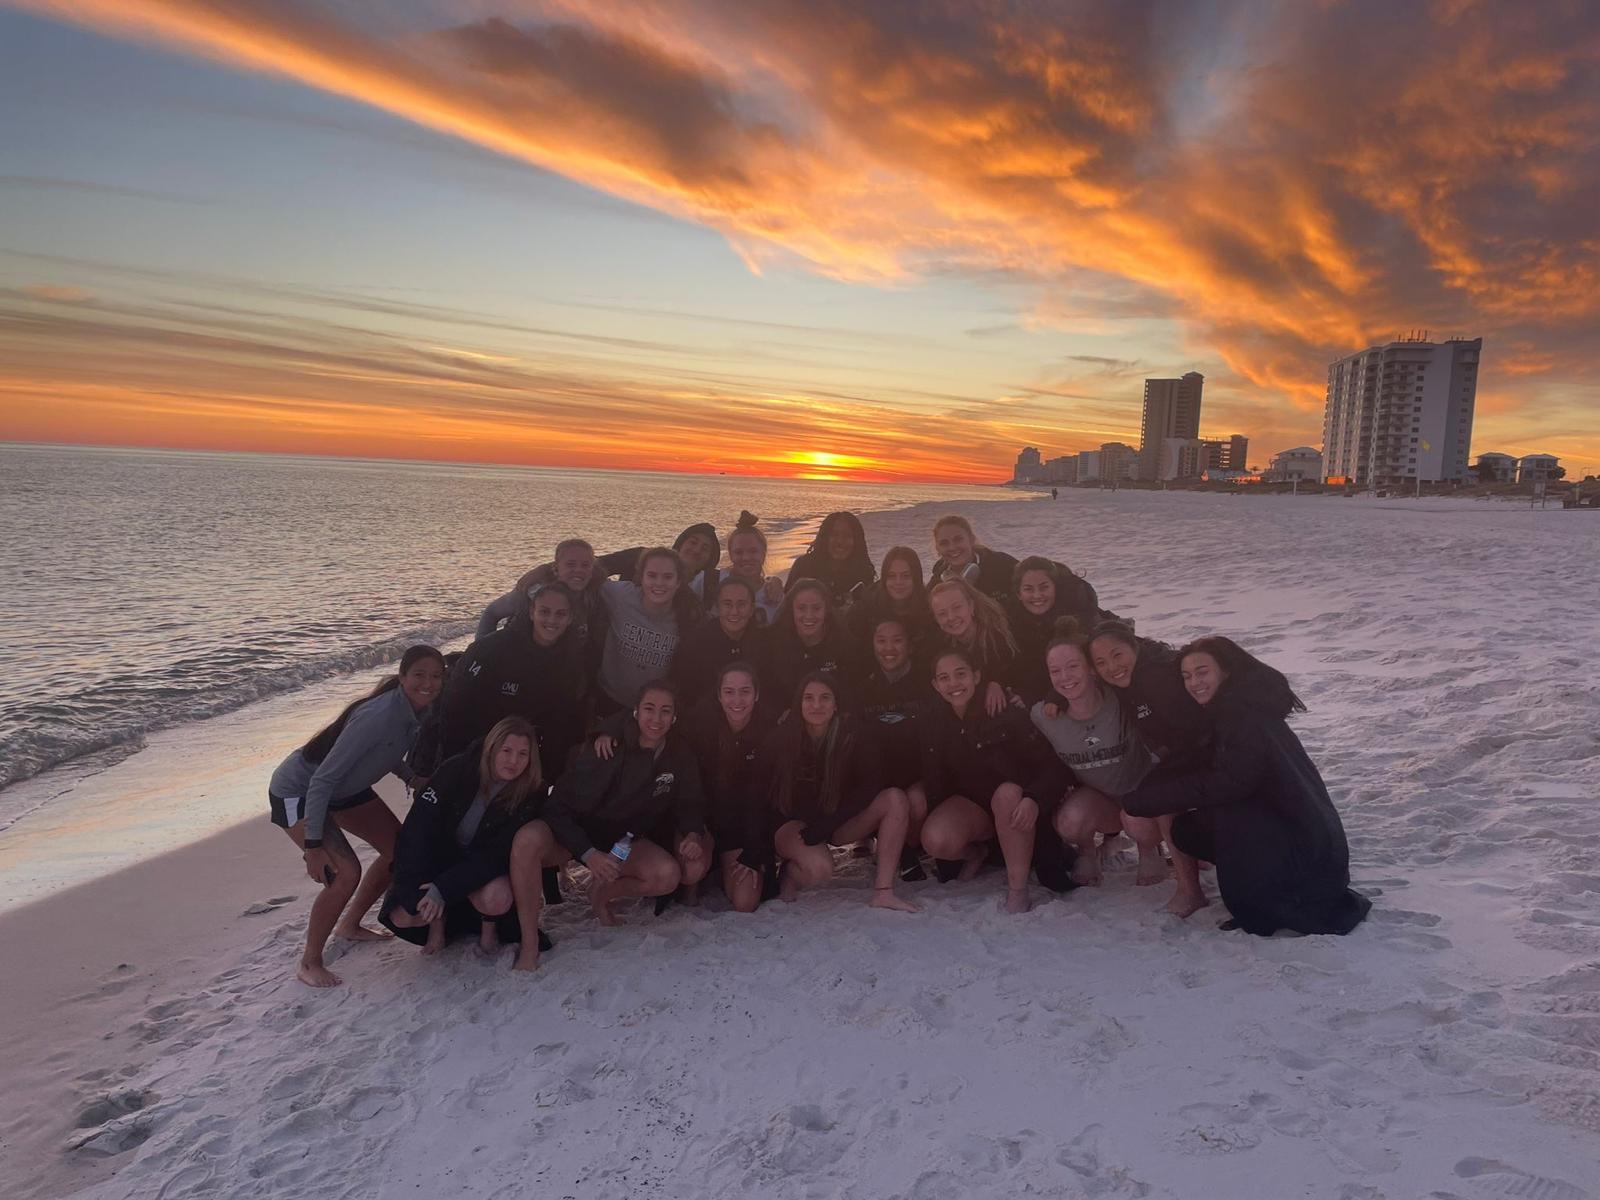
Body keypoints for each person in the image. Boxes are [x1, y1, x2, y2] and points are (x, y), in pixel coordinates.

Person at [1122, 638, 1372, 937]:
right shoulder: (1235, 707)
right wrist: (1148, 791)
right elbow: (1206, 759)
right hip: (1314, 844)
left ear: (1225, 672)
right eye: (1186, 676)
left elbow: (1230, 782)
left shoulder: (1241, 714)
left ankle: (1266, 901)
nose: (1194, 683)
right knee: (1191, 829)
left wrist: (1148, 799)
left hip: (1307, 859)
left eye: (1202, 672)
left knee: (1211, 820)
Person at [266, 644, 445, 987]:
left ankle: (349, 925)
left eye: (436, 676)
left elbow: (385, 752)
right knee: (346, 872)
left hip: (346, 789)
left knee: (401, 852)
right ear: (402, 676)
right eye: (419, 675)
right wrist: (314, 845)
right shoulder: (379, 715)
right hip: (300, 791)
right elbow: (322, 779)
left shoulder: (417, 710)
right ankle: (309, 962)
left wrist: (411, 778)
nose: (428, 683)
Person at [505, 680, 709, 969]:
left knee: (667, 875)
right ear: (635, 712)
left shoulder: (679, 754)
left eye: (666, 711)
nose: (657, 718)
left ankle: (602, 893)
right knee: (526, 841)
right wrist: (587, 853)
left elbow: (690, 801)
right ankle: (529, 942)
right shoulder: (606, 747)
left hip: (621, 840)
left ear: (675, 717)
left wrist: (692, 833)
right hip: (572, 833)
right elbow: (557, 807)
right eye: (649, 709)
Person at [381, 717, 548, 957]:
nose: (514, 761)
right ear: (491, 748)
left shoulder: (531, 792)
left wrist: (443, 888)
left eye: (523, 754)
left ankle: (487, 928)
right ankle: (438, 922)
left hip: (482, 865)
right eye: (507, 750)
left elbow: (496, 855)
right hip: (439, 860)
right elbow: (417, 831)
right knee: (403, 916)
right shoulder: (456, 768)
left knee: (497, 898)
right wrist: (419, 884)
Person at [918, 648, 1065, 913]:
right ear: (935, 685)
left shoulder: (1003, 709)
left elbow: (1052, 764)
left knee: (1007, 794)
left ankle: (1018, 889)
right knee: (936, 838)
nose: (953, 684)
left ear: (976, 676)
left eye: (960, 674)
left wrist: (1035, 799)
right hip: (977, 811)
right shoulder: (934, 720)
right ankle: (977, 854)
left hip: (1018, 806)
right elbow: (934, 778)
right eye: (944, 677)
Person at [1029, 623, 1169, 894]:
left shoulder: (1120, 698)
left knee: (1136, 819)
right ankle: (1087, 852)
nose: (1064, 677)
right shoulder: (1043, 716)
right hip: (1100, 800)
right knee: (1069, 820)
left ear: (1092, 669)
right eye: (1055, 671)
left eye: (1073, 666)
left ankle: (1149, 849)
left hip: (1141, 796)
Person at [767, 673, 919, 912]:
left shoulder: (853, 734)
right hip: (794, 824)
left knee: (895, 799)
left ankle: (883, 892)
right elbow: (761, 793)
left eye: (825, 698)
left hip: (835, 820)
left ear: (836, 703)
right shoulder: (783, 736)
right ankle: (790, 872)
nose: (817, 705)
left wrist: (829, 824)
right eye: (809, 698)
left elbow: (871, 783)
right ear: (799, 703)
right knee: (820, 870)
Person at [416, 582, 585, 778]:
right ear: (532, 612)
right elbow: (453, 709)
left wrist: (550, 771)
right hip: (472, 746)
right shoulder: (491, 649)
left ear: (570, 618)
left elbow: (563, 715)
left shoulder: (571, 658)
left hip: (520, 754)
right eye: (544, 611)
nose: (552, 620)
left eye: (560, 614)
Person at [682, 662, 777, 913]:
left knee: (746, 902)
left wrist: (755, 849)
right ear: (718, 695)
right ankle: (702, 873)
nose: (737, 699)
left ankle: (720, 868)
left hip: (742, 829)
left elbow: (765, 801)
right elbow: (653, 716)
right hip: (702, 823)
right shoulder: (698, 725)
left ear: (757, 695)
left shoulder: (770, 730)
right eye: (729, 691)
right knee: (691, 870)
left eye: (745, 691)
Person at [594, 547, 699, 715]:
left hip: (653, 710)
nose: (659, 583)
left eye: (668, 577)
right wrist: (539, 573)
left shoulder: (687, 616)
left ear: (678, 582)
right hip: (609, 700)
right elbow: (582, 574)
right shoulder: (621, 596)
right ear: (641, 577)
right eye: (651, 575)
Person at [1007, 557, 1106, 703]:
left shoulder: (1078, 615)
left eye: (1044, 587)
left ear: (1055, 588)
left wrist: (1048, 698)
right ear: (1019, 594)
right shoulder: (1013, 622)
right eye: (1028, 589)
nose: (1037, 595)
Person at [672, 575, 771, 708]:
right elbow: (682, 694)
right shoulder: (694, 645)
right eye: (727, 604)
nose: (734, 611)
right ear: (717, 608)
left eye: (741, 604)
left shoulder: (765, 644)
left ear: (752, 609)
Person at [767, 578, 860, 711]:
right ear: (791, 610)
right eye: (801, 608)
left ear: (826, 609)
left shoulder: (844, 643)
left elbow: (852, 692)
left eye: (816, 608)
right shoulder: (776, 645)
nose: (808, 615)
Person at [929, 578, 1019, 714]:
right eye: (942, 613)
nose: (951, 617)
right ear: (936, 620)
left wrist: (997, 682)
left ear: (971, 606)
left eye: (957, 607)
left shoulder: (999, 638)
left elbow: (1016, 671)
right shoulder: (940, 647)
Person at [845, 545, 935, 654]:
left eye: (906, 576)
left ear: (916, 578)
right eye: (891, 576)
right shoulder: (866, 609)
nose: (898, 582)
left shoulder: (929, 610)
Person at [708, 511, 786, 624]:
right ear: (730, 554)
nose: (746, 557)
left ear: (763, 553)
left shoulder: (774, 597)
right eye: (739, 552)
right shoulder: (710, 581)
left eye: (753, 551)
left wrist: (775, 581)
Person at [786, 511, 875, 609]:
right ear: (825, 537)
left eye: (847, 536)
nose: (840, 541)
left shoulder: (863, 572)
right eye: (834, 534)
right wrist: (773, 582)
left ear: (857, 541)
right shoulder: (804, 566)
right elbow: (785, 605)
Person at [927, 515, 1019, 603]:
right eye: (944, 543)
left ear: (971, 539)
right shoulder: (937, 583)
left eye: (958, 539)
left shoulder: (1002, 564)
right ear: (937, 548)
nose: (952, 547)